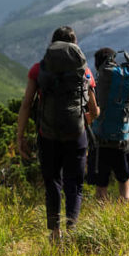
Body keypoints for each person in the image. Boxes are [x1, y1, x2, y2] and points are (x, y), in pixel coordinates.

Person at [17, 26, 99, 241]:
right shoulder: (85, 71)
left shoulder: (38, 69)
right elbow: (95, 109)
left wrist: (20, 136)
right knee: (75, 184)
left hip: (48, 134)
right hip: (76, 135)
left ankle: (55, 233)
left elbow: (26, 105)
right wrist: (85, 120)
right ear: (75, 45)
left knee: (52, 181)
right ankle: (72, 230)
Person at [89, 47, 129, 202]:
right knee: (125, 180)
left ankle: (103, 219)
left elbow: (90, 114)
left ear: (98, 66)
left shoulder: (97, 87)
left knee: (101, 186)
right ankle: (124, 206)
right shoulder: (125, 88)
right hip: (121, 142)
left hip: (100, 143)